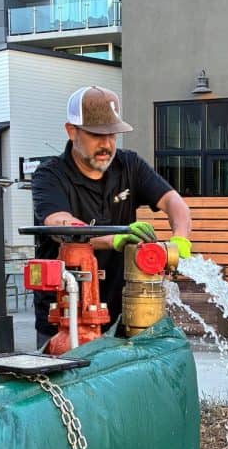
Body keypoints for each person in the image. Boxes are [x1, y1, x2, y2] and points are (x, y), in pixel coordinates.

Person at [31, 85, 192, 346]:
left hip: (120, 313)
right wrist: (116, 238)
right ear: (71, 131)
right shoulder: (49, 175)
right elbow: (59, 223)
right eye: (96, 134)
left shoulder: (129, 165)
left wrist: (180, 240)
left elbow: (174, 203)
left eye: (113, 135)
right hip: (67, 314)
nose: (106, 144)